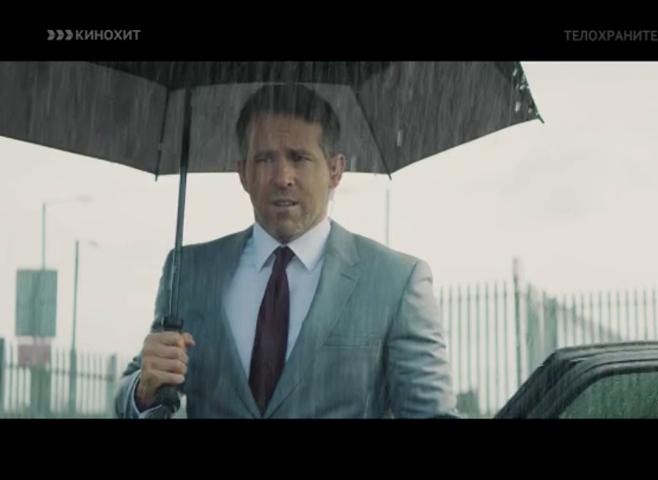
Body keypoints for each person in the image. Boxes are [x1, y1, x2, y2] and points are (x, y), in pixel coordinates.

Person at [114, 84, 456, 418]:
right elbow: (132, 394)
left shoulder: (395, 282)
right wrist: (143, 391)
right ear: (242, 173)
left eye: (299, 158)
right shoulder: (190, 271)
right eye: (265, 159)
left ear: (335, 170)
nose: (282, 177)